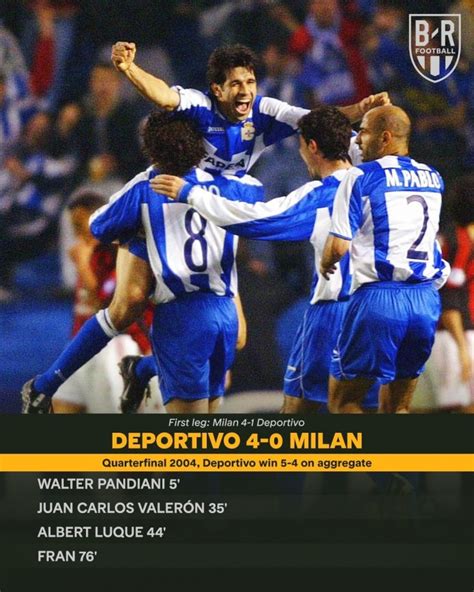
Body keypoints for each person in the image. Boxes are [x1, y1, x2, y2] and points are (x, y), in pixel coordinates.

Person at [21, 111, 263, 414]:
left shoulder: (144, 188)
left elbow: (99, 226)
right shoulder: (233, 184)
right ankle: (57, 383)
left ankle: (134, 370)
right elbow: (257, 193)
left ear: (150, 149)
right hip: (206, 306)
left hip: (197, 308)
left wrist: (139, 230)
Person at [151, 105, 378, 413]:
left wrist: (191, 194)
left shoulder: (324, 195)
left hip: (334, 312)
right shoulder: (377, 182)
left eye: (301, 147)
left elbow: (255, 219)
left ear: (312, 147)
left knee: (298, 410)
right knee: (367, 406)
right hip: (376, 308)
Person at [319, 105, 449, 413]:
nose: (357, 139)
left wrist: (325, 263)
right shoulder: (434, 178)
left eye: (364, 132)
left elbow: (338, 247)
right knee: (398, 408)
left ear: (385, 137)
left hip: (379, 299)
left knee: (344, 402)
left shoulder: (359, 176)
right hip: (424, 300)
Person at [110, 41, 390, 178]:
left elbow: (318, 121)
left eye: (250, 82)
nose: (245, 91)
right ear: (218, 90)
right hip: (189, 186)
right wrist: (129, 68)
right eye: (235, 84)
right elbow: (164, 97)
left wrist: (360, 109)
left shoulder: (264, 110)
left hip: (235, 194)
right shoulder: (202, 105)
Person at [52, 190, 154, 413]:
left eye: (80, 225)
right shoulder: (94, 254)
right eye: (73, 226)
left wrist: (82, 265)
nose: (77, 233)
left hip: (119, 345)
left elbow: (111, 310)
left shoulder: (122, 253)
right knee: (61, 406)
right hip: (82, 346)